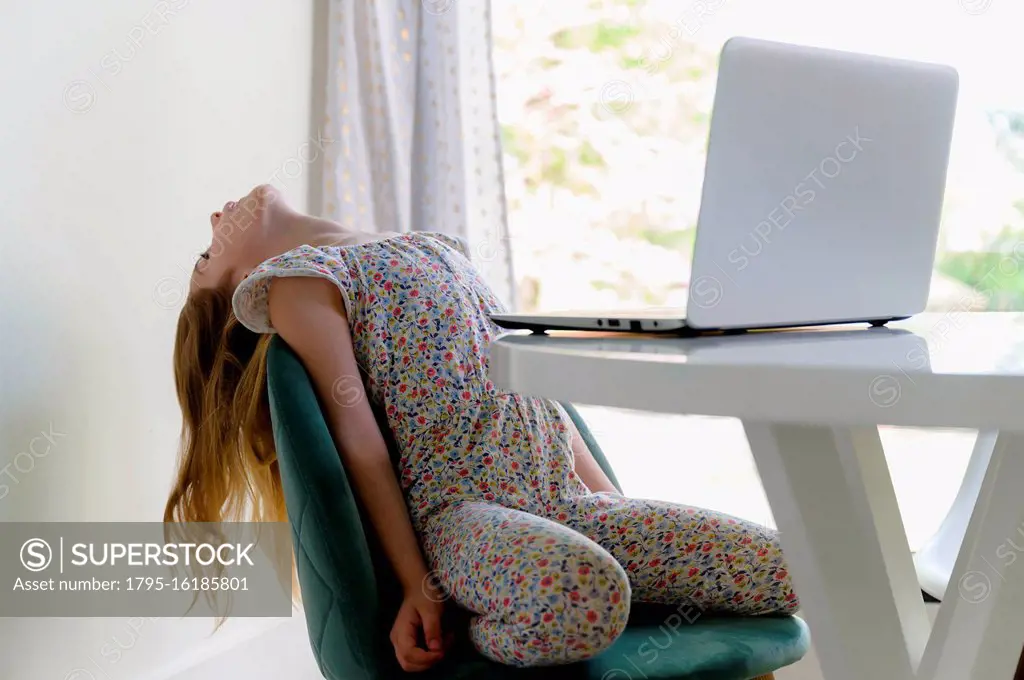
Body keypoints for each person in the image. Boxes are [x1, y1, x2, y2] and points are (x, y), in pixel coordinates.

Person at [167, 183, 798, 671]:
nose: (215, 220)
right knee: (586, 594)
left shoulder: (431, 246)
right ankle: (483, 620)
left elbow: (534, 392)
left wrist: (613, 504)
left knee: (792, 568)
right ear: (235, 296)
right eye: (204, 255)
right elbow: (360, 444)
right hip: (466, 516)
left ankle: (563, 586)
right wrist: (420, 586)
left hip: (564, 504)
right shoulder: (297, 285)